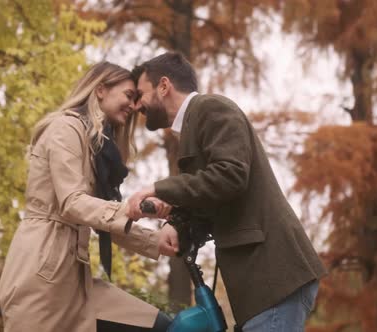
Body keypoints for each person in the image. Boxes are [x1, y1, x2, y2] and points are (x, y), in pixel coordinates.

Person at [128, 52, 328, 331]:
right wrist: (177, 225)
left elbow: (230, 176)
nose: (137, 105)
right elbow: (214, 197)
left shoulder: (211, 108)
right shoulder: (193, 126)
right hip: (263, 283)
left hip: (274, 276)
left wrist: (158, 188)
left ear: (163, 86)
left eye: (140, 94)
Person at [0, 62, 172, 331]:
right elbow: (72, 203)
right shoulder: (65, 128)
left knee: (160, 326)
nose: (134, 106)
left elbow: (103, 220)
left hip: (78, 283)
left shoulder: (96, 146)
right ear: (100, 89)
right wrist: (133, 207)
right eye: (128, 95)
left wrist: (157, 240)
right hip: (43, 276)